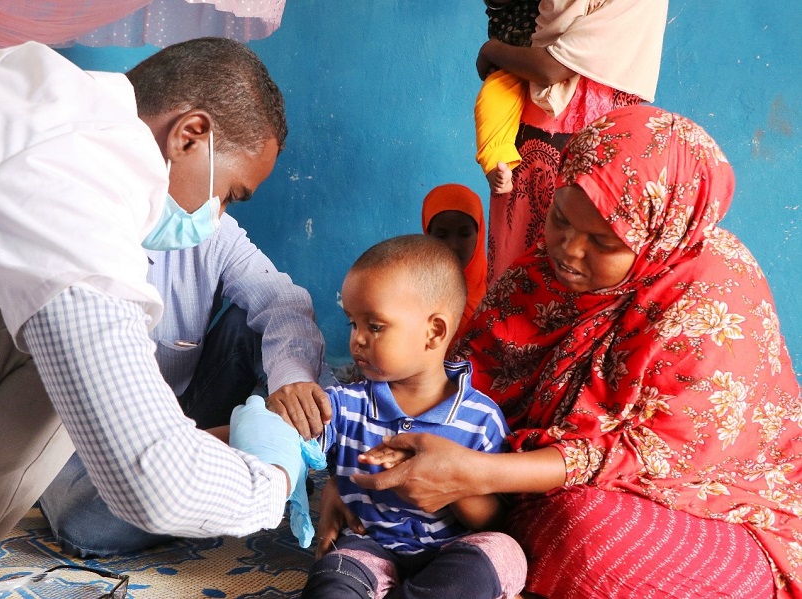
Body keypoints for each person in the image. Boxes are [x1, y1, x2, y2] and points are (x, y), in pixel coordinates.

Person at [0, 38, 309, 596]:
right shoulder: (75, 177)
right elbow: (153, 483)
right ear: (190, 134)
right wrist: (275, 475)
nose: (218, 216)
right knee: (60, 340)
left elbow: (277, 300)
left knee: (49, 319)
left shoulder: (48, 96)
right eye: (229, 193)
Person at [347, 106, 802, 597]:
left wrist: (476, 472)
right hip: (534, 474)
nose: (567, 249)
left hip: (701, 503)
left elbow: (648, 458)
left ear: (656, 238)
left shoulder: (717, 303)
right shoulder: (543, 270)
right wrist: (356, 466)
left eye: (602, 242)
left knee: (585, 538)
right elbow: (460, 372)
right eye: (560, 218)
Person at [39, 216, 330, 557]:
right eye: (228, 190)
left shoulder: (212, 229)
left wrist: (293, 381)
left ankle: (260, 453)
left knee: (262, 338)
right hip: (75, 439)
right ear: (179, 158)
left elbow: (282, 303)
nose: (218, 208)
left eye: (232, 197)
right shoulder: (77, 230)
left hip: (184, 413)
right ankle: (269, 456)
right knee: (87, 527)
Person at [301, 235, 526, 599]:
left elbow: (494, 518)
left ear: (434, 331)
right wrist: (189, 437)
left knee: (502, 551)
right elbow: (286, 433)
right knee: (334, 575)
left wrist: (443, 478)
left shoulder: (481, 418)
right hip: (369, 547)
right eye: (352, 324)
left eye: (374, 326)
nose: (357, 340)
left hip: (455, 551)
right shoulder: (344, 404)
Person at [476, 0, 669, 282]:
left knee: (553, 260)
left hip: (560, 135)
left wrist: (491, 50)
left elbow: (551, 67)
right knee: (529, 263)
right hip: (546, 137)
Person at [474, 0, 539, 196]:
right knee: (490, 100)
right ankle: (497, 163)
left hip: (547, 60)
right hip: (510, 68)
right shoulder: (501, 7)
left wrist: (488, 51)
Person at [421, 183, 488, 342]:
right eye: (441, 236)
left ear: (479, 234)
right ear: (428, 234)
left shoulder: (497, 287)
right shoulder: (417, 289)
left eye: (464, 234)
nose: (453, 246)